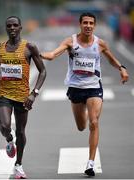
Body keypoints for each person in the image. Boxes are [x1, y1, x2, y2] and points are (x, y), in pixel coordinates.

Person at [41, 12, 129, 177]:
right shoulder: (70, 42)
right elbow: (53, 55)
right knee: (81, 126)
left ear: (94, 26)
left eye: (91, 23)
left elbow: (111, 58)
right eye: (85, 23)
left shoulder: (100, 43)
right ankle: (89, 111)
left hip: (94, 87)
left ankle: (90, 163)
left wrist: (121, 68)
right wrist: (37, 54)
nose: (88, 26)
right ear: (80, 25)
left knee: (94, 123)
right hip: (75, 88)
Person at [0, 16, 46, 179]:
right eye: (9, 26)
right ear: (6, 29)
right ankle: (9, 138)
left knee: (21, 131)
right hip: (4, 94)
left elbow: (43, 71)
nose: (12, 28)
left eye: (15, 25)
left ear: (20, 28)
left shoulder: (29, 47)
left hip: (23, 97)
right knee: (5, 126)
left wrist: (34, 94)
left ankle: (18, 165)